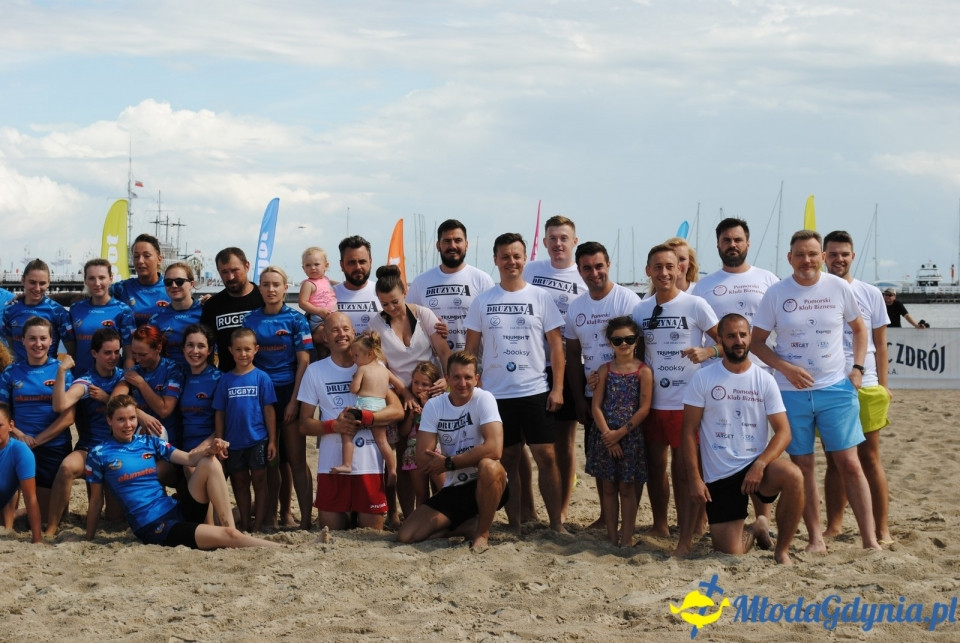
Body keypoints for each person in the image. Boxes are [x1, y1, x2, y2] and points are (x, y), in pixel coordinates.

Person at [750, 230, 881, 552]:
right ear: (790, 258)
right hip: (791, 392)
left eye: (812, 254)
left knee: (850, 463)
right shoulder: (777, 293)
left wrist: (858, 368)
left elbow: (860, 330)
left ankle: (870, 540)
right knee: (803, 465)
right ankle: (816, 539)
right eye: (800, 254)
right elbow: (756, 341)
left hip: (836, 389)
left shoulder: (838, 287)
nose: (806, 260)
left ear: (822, 257)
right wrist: (785, 368)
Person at [675, 314, 804, 565]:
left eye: (743, 335)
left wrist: (761, 463)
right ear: (720, 340)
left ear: (750, 337)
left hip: (755, 470)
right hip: (720, 475)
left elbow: (784, 431)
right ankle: (757, 527)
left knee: (794, 476)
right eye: (731, 336)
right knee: (730, 551)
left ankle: (782, 551)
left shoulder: (764, 379)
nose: (738, 341)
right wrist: (694, 478)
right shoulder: (703, 378)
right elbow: (689, 432)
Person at [465, 232, 567, 534]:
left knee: (546, 456)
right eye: (505, 256)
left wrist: (558, 387)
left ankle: (557, 525)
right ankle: (515, 523)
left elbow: (557, 347)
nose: (511, 261)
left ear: (525, 259)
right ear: (496, 260)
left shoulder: (540, 297)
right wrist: (471, 390)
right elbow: (470, 350)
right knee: (506, 457)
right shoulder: (483, 301)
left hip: (535, 390)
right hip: (496, 395)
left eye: (517, 256)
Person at [85, 395, 278, 549]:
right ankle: (277, 547)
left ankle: (229, 529)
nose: (128, 425)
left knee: (208, 462)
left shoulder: (149, 442)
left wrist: (210, 449)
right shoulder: (98, 454)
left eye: (132, 418)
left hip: (175, 510)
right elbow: (95, 500)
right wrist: (89, 537)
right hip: (154, 527)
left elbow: (188, 459)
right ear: (109, 420)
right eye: (121, 419)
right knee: (230, 536)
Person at [691, 217, 780, 523]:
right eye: (726, 240)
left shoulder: (768, 280)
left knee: (756, 444)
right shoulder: (704, 287)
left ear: (748, 243)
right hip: (719, 378)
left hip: (761, 377)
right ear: (717, 244)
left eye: (738, 240)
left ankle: (763, 519)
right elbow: (703, 334)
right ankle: (714, 515)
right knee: (721, 444)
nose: (732, 245)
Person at [632, 244, 718, 539]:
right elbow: (636, 352)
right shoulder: (641, 308)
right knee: (656, 468)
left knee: (686, 470)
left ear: (680, 268)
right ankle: (660, 525)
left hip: (687, 402)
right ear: (648, 271)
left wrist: (708, 351)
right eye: (658, 267)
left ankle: (691, 525)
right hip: (654, 403)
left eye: (670, 266)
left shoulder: (695, 304)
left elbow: (724, 343)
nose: (665, 272)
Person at [297, 312, 405, 531]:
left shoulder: (375, 367)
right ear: (325, 337)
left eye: (346, 329)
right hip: (333, 467)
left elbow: (397, 411)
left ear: (353, 332)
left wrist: (367, 418)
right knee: (333, 529)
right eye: (334, 330)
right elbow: (304, 424)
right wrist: (333, 426)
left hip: (369, 465)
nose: (341, 334)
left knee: (370, 532)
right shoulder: (315, 371)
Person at [397, 351, 508, 552]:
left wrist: (449, 462)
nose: (462, 383)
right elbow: (422, 457)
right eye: (456, 377)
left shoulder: (484, 398)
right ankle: (469, 526)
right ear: (447, 379)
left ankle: (482, 533)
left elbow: (495, 448)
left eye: (467, 377)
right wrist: (465, 459)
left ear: (477, 379)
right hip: (455, 484)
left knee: (489, 465)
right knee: (407, 535)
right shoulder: (435, 405)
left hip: (486, 482)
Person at [822, 231, 893, 544]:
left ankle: (882, 529)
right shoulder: (817, 292)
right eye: (833, 254)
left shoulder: (869, 293)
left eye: (844, 254)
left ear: (852, 257)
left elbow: (880, 342)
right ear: (824, 256)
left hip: (865, 384)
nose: (839, 259)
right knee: (834, 461)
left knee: (870, 458)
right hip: (829, 384)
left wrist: (885, 385)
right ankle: (834, 526)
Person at [564, 241, 640, 525]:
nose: (594, 273)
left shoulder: (627, 300)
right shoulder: (576, 308)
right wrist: (579, 399)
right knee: (600, 461)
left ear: (608, 265)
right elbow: (573, 356)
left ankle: (629, 517)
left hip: (627, 394)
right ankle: (606, 515)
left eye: (599, 266)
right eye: (587, 268)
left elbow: (638, 348)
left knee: (629, 459)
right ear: (579, 271)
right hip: (593, 395)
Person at [368, 263, 450, 525]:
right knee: (401, 457)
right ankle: (401, 514)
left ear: (405, 292)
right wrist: (404, 393)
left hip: (429, 393)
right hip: (395, 393)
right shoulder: (375, 323)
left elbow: (444, 353)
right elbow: (377, 364)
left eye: (394, 301)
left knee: (433, 453)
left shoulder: (424, 315)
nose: (390, 308)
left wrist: (446, 380)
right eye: (384, 304)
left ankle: (440, 510)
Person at [522, 215, 586, 524]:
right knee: (521, 443)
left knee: (564, 443)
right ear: (545, 242)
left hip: (569, 367)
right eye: (553, 238)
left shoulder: (583, 275)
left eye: (564, 238)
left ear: (574, 241)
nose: (558, 243)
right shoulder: (531, 270)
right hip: (529, 366)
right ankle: (528, 511)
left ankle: (560, 512)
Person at [243, 266, 314, 530]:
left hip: (290, 392)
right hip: (262, 395)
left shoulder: (296, 320)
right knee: (271, 461)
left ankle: (306, 519)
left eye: (276, 284)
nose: (271, 289)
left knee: (296, 461)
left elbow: (304, 362)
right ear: (259, 288)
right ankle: (271, 517)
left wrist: (295, 401)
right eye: (265, 284)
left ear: (286, 288)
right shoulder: (250, 321)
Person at [46, 328, 125, 536]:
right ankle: (52, 528)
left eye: (117, 352)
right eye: (107, 352)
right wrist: (62, 372)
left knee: (113, 520)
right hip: (90, 448)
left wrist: (105, 398)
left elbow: (121, 406)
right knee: (66, 467)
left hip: (117, 450)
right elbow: (59, 405)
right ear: (94, 354)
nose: (113, 357)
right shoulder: (85, 381)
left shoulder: (124, 377)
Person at [0, 317, 75, 522]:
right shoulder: (11, 373)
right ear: (22, 340)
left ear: (51, 340)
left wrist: (36, 440)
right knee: (3, 519)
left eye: (43, 338)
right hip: (19, 444)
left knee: (51, 518)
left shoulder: (62, 371)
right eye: (32, 338)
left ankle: (21, 513)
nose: (38, 344)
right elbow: (3, 414)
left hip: (53, 446)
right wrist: (20, 436)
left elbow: (68, 418)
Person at [587, 316, 652, 547]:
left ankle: (626, 539)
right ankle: (611, 537)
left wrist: (620, 434)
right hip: (605, 436)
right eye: (617, 340)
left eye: (629, 339)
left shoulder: (644, 371)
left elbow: (644, 408)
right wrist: (608, 436)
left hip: (630, 437)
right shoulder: (604, 370)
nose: (623, 344)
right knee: (608, 487)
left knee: (627, 488)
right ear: (610, 342)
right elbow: (596, 406)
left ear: (636, 341)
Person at [213, 328, 277, 532]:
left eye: (247, 349)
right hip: (233, 442)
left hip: (258, 440)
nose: (243, 354)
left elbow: (269, 411)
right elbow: (220, 413)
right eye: (238, 349)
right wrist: (220, 440)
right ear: (230, 351)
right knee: (240, 483)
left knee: (260, 482)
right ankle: (246, 524)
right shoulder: (225, 380)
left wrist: (273, 440)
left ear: (256, 350)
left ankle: (258, 525)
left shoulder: (262, 378)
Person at [407, 219, 495, 352]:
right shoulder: (421, 282)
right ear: (438, 245)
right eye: (447, 241)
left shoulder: (482, 280)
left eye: (458, 240)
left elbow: (493, 326)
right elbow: (407, 323)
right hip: (433, 367)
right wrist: (429, 327)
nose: (452, 246)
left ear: (466, 244)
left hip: (472, 367)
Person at [334, 332, 396, 483]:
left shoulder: (362, 369)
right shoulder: (384, 370)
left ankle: (347, 464)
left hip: (365, 408)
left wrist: (354, 379)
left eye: (356, 356)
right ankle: (393, 469)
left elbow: (354, 389)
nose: (354, 360)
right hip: (381, 409)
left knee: (347, 433)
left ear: (369, 354)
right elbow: (399, 386)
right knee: (382, 442)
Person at [113, 325, 183, 451]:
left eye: (143, 354)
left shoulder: (172, 369)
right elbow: (114, 401)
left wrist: (141, 384)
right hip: (139, 443)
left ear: (158, 348)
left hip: (168, 443)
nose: (137, 359)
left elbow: (164, 410)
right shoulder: (134, 371)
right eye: (134, 353)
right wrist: (139, 414)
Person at [200, 247, 265, 373]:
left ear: (247, 266)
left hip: (265, 379)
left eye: (235, 270)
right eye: (224, 272)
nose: (230, 277)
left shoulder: (264, 299)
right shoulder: (212, 306)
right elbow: (206, 346)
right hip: (227, 380)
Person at [69, 258, 135, 376]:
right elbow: (72, 351)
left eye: (101, 278)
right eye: (91, 278)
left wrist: (126, 383)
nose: (97, 283)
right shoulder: (75, 309)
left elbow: (129, 356)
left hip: (111, 381)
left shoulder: (123, 311)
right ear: (85, 281)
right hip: (80, 379)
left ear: (111, 278)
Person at [2, 258, 74, 363]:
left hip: (49, 376)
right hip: (18, 376)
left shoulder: (58, 312)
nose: (37, 288)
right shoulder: (10, 310)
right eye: (32, 282)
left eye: (42, 283)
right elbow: (10, 349)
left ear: (49, 282)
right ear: (23, 280)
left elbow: (72, 351)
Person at [397, 361, 446, 515]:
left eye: (425, 384)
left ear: (434, 385)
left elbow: (440, 426)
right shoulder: (410, 404)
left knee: (444, 489)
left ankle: (443, 518)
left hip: (435, 452)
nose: (419, 388)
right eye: (416, 383)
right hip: (413, 453)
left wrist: (426, 404)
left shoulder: (440, 402)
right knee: (421, 493)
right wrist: (411, 417)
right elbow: (403, 433)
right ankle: (420, 521)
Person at [177, 324, 222, 471]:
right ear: (183, 349)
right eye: (190, 345)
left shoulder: (219, 379)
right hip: (183, 449)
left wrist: (202, 448)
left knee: (191, 468)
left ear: (209, 350)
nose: (195, 351)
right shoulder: (178, 377)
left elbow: (225, 421)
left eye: (201, 346)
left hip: (211, 447)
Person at [147, 262, 204, 370]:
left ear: (191, 284)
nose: (174, 286)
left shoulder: (206, 312)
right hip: (168, 379)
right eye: (168, 282)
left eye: (179, 281)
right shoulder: (156, 319)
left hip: (200, 378)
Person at [0, 402, 42, 543]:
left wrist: (37, 539)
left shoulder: (20, 451)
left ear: (11, 426)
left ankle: (16, 515)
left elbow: (30, 498)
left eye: (0, 426)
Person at [109, 233, 170, 326]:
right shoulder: (121, 289)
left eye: (147, 255)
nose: (140, 261)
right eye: (136, 256)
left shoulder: (171, 289)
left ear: (159, 259)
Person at [333, 236, 381, 335]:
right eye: (352, 262)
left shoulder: (383, 291)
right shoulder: (331, 295)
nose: (358, 267)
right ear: (342, 265)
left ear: (370, 262)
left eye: (362, 261)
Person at [299, 247, 338, 358]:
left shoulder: (327, 280)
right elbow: (302, 302)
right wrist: (319, 311)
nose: (313, 268)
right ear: (303, 268)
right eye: (308, 265)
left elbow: (342, 286)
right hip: (318, 318)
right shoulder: (308, 284)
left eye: (317, 264)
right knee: (324, 340)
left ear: (326, 265)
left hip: (332, 315)